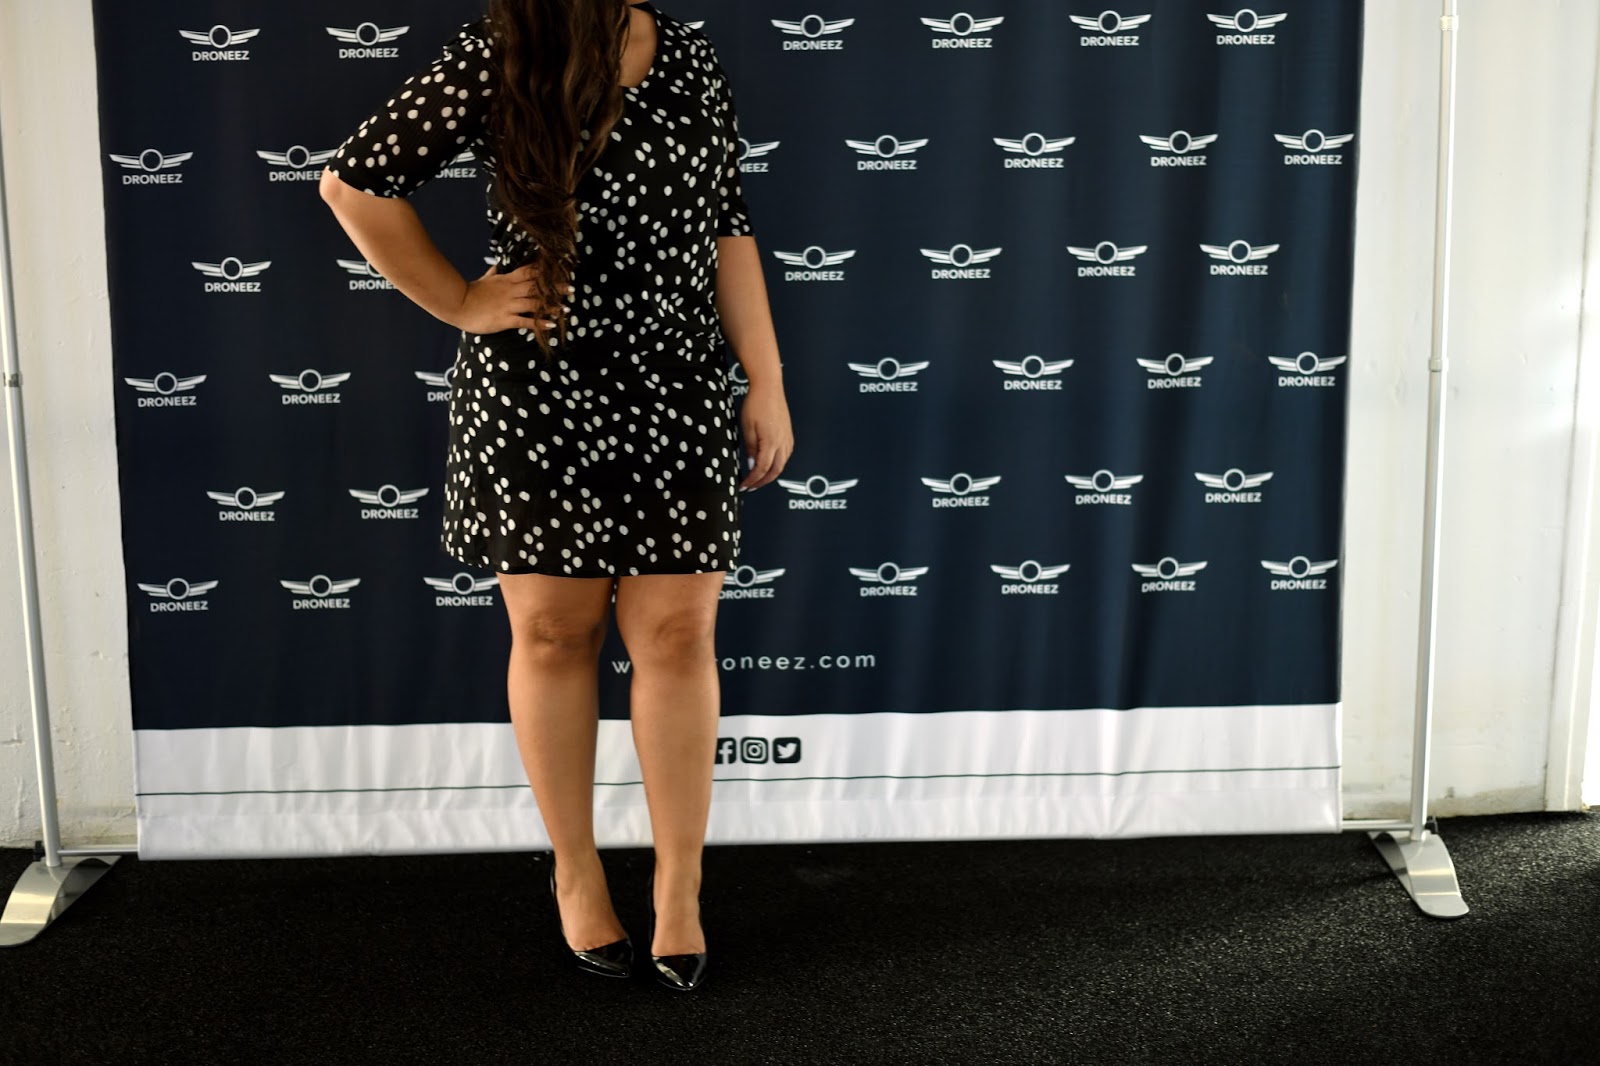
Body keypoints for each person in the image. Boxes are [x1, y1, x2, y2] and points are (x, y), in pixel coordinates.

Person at [319, 0, 792, 992]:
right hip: (537, 391)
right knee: (552, 636)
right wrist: (461, 300)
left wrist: (767, 377)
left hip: (675, 388)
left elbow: (727, 224)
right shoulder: (504, 49)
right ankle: (576, 873)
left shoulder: (688, 53)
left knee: (677, 636)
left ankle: (679, 887)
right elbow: (354, 183)